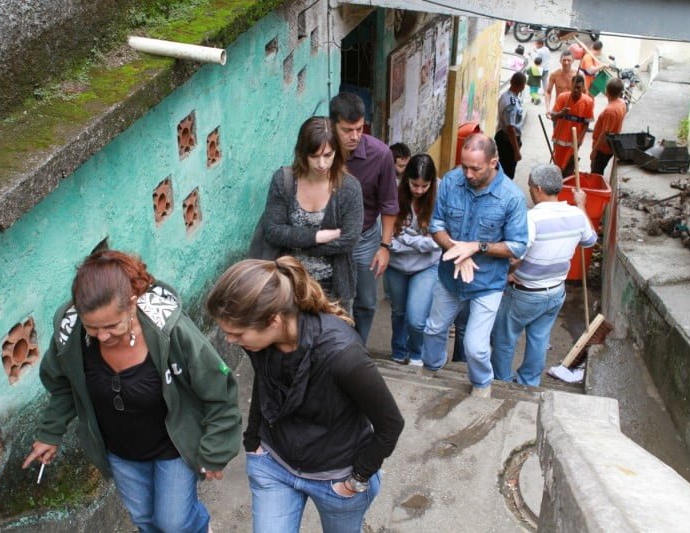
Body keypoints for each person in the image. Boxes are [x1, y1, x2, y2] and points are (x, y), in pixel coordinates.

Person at [23, 249, 241, 533]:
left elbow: (218, 390)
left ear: (132, 304)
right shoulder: (70, 333)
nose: (102, 336)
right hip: (120, 451)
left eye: (112, 325)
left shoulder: (169, 329)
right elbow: (65, 384)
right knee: (145, 521)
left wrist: (216, 449)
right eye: (93, 327)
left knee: (174, 523)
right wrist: (50, 433)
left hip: (173, 445)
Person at [206, 257, 404, 533]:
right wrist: (253, 443)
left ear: (273, 320)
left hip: (336, 479)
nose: (229, 341)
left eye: (236, 333)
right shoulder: (257, 344)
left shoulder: (343, 355)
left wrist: (356, 479)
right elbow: (265, 384)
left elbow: (390, 424)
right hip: (273, 465)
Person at [421, 134, 528, 397]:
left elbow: (517, 246)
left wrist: (476, 247)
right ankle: (432, 371)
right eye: (464, 166)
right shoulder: (450, 181)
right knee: (433, 330)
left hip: (487, 283)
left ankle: (481, 386)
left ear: (494, 162)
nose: (467, 174)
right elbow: (436, 226)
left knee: (476, 347)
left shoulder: (512, 197)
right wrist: (458, 249)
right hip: (449, 277)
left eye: (475, 168)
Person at [491, 165, 597, 386]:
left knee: (504, 338)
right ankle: (529, 384)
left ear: (538, 188)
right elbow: (590, 240)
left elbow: (515, 256)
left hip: (525, 292)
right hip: (556, 292)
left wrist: (507, 274)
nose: (529, 190)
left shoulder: (531, 218)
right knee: (539, 340)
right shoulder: (576, 215)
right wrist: (581, 205)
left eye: (530, 186)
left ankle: (501, 381)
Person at [262, 116, 363, 311]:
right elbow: (273, 230)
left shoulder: (349, 188)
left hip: (334, 288)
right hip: (289, 285)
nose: (322, 164)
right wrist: (316, 236)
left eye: (328, 155)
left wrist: (302, 245)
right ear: (302, 153)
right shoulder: (284, 181)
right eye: (314, 156)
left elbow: (349, 239)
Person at [330, 93, 399, 344]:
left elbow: (389, 204)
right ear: (332, 125)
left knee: (367, 302)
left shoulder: (380, 155)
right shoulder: (320, 152)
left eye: (359, 129)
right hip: (328, 238)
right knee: (333, 300)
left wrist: (385, 246)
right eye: (347, 130)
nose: (354, 136)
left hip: (365, 239)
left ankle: (358, 348)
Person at [384, 154, 441, 367]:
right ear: (406, 179)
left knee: (416, 318)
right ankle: (399, 351)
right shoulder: (394, 191)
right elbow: (388, 238)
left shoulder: (440, 194)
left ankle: (417, 353)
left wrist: (406, 237)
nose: (418, 190)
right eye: (414, 185)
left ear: (432, 183)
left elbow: (437, 241)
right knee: (398, 312)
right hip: (397, 264)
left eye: (424, 186)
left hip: (426, 265)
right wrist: (419, 241)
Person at [549, 74, 595, 176]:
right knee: (556, 166)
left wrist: (580, 140)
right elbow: (553, 117)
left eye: (578, 88)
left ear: (583, 87)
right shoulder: (562, 97)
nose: (576, 90)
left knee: (569, 167)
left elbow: (586, 123)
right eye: (574, 87)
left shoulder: (588, 102)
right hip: (559, 138)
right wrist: (561, 113)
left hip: (574, 141)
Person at [590, 78, 627, 175]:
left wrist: (595, 151)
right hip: (609, 146)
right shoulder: (621, 103)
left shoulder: (610, 111)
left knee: (596, 173)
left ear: (606, 91)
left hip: (603, 149)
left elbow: (604, 134)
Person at [495, 72, 526, 180]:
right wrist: (516, 151)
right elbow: (510, 128)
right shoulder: (511, 103)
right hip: (507, 142)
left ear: (511, 82)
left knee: (502, 170)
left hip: (505, 139)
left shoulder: (506, 96)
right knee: (507, 173)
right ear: (522, 86)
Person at [545, 51, 575, 116]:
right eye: (564, 60)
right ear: (560, 61)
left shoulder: (578, 74)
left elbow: (584, 92)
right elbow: (548, 92)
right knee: (557, 126)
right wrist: (548, 109)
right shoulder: (554, 74)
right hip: (558, 107)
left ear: (573, 61)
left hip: (573, 108)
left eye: (568, 60)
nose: (566, 62)